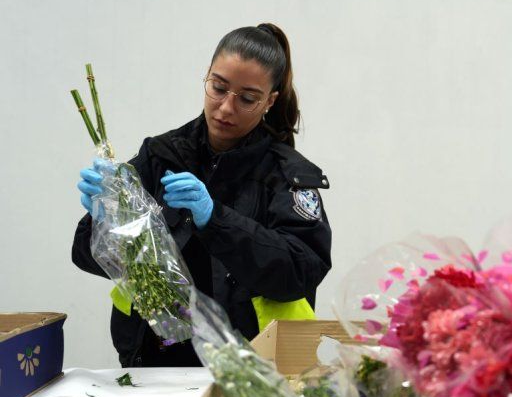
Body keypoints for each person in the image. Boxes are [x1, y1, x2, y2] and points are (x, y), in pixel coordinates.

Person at [72, 23, 332, 367]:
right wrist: (104, 218)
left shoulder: (287, 175)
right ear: (206, 76)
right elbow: (89, 257)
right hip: (155, 362)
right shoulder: (160, 155)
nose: (226, 108)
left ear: (269, 101)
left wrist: (217, 220)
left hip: (254, 367)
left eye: (247, 98)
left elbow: (299, 273)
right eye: (218, 88)